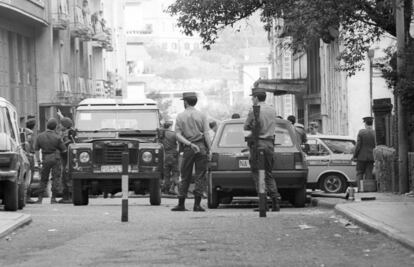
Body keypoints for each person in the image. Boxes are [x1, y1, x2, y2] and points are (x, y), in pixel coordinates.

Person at [171, 92, 211, 212]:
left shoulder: (180, 116)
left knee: (185, 176)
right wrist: (210, 149)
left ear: (186, 102)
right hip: (201, 147)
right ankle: (197, 205)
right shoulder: (202, 115)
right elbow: (207, 134)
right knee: (200, 176)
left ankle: (181, 204)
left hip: (188, 148)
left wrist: (189, 144)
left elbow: (177, 135)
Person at [244, 88, 280, 212]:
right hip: (269, 144)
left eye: (252, 98)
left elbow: (246, 127)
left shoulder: (254, 110)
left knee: (258, 174)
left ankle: (263, 204)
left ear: (256, 98)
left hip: (258, 145)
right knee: (269, 174)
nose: (251, 100)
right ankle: (275, 202)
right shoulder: (272, 110)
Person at [34, 118, 67, 204]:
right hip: (56, 159)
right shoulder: (57, 137)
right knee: (56, 178)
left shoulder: (40, 136)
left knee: (43, 179)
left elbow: (36, 150)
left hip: (45, 159)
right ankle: (53, 199)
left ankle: (40, 199)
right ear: (55, 127)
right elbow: (64, 150)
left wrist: (38, 161)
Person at [353, 116, 376, 186]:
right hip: (371, 157)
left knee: (359, 173)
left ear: (365, 123)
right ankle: (368, 189)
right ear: (372, 124)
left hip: (361, 157)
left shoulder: (361, 132)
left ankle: (360, 188)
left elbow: (358, 146)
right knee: (369, 173)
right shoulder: (375, 133)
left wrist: (355, 155)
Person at [58, 117, 76, 203]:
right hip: (64, 158)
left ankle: (69, 197)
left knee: (67, 176)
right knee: (64, 177)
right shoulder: (66, 132)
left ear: (65, 126)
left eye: (61, 124)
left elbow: (70, 146)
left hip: (68, 158)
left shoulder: (70, 134)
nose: (59, 125)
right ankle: (66, 197)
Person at [160, 120, 179, 195]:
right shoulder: (174, 134)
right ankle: (176, 188)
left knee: (166, 174)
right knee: (175, 173)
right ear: (170, 126)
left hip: (165, 156)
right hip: (173, 156)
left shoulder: (162, 134)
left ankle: (166, 190)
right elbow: (179, 144)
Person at [25, 116, 37, 204]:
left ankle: (26, 196)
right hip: (29, 156)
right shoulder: (29, 134)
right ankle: (27, 197)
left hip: (26, 156)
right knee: (30, 176)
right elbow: (30, 147)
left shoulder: (24, 132)